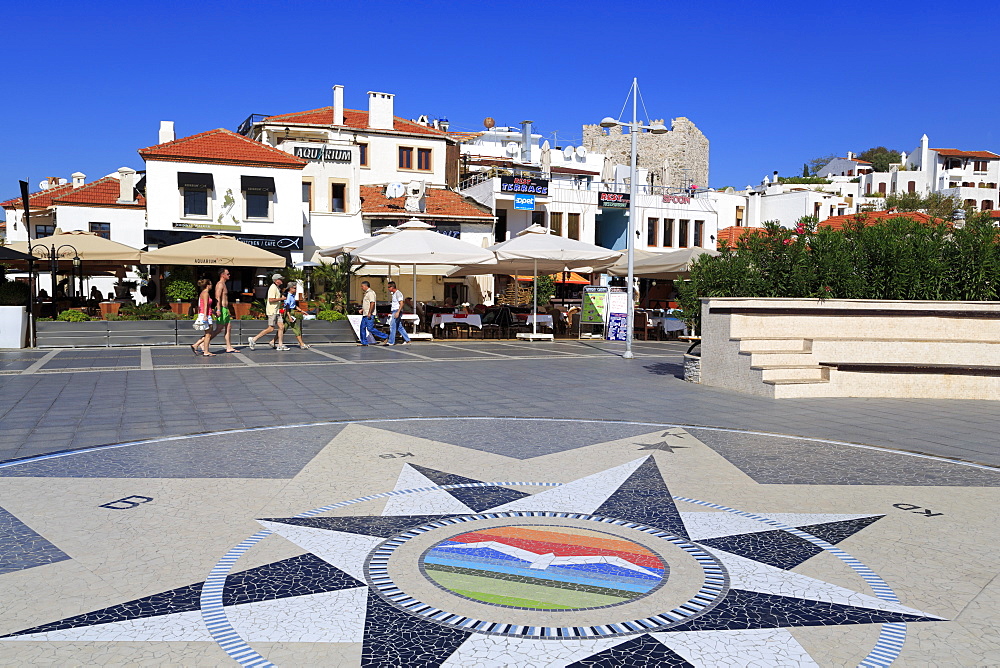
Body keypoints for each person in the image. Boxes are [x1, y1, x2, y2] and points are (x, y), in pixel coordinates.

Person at [248, 273, 288, 350]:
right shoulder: (273, 288)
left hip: (276, 311)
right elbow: (271, 300)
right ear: (276, 281)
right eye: (280, 279)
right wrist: (281, 299)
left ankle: (280, 345)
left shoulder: (276, 288)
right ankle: (253, 339)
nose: (282, 280)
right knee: (271, 328)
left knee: (281, 326)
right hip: (272, 311)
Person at [209, 268, 237, 353]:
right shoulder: (220, 284)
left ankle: (229, 346)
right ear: (222, 275)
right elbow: (217, 297)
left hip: (225, 309)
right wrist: (218, 309)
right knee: (219, 329)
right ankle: (201, 342)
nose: (229, 275)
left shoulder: (224, 284)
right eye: (227, 274)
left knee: (228, 327)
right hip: (221, 308)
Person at [358, 280, 388, 346]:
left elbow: (372, 303)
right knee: (362, 327)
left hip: (369, 314)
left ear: (366, 286)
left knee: (370, 328)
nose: (361, 287)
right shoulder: (366, 293)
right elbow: (367, 304)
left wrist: (370, 312)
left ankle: (384, 336)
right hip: (365, 314)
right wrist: (363, 309)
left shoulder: (371, 293)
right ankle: (364, 342)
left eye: (362, 286)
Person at [191, 279, 216, 356]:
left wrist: (212, 312)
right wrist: (205, 315)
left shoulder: (203, 293)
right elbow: (205, 305)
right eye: (211, 284)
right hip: (206, 315)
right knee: (208, 334)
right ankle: (206, 351)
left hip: (206, 314)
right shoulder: (205, 293)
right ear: (207, 285)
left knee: (209, 333)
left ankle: (196, 345)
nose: (212, 285)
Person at [282, 281, 310, 349]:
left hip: (291, 312)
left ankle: (272, 341)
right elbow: (287, 308)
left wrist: (302, 311)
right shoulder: (288, 296)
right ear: (290, 288)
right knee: (296, 328)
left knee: (283, 329)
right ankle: (302, 344)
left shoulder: (292, 295)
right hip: (288, 312)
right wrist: (289, 317)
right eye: (294, 288)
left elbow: (294, 306)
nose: (295, 289)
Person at [386, 281, 411, 346]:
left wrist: (398, 312)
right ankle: (407, 340)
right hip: (395, 310)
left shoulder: (398, 293)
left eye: (389, 287)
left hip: (396, 310)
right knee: (399, 327)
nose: (388, 289)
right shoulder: (394, 294)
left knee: (392, 326)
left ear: (392, 287)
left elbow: (401, 303)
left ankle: (391, 341)